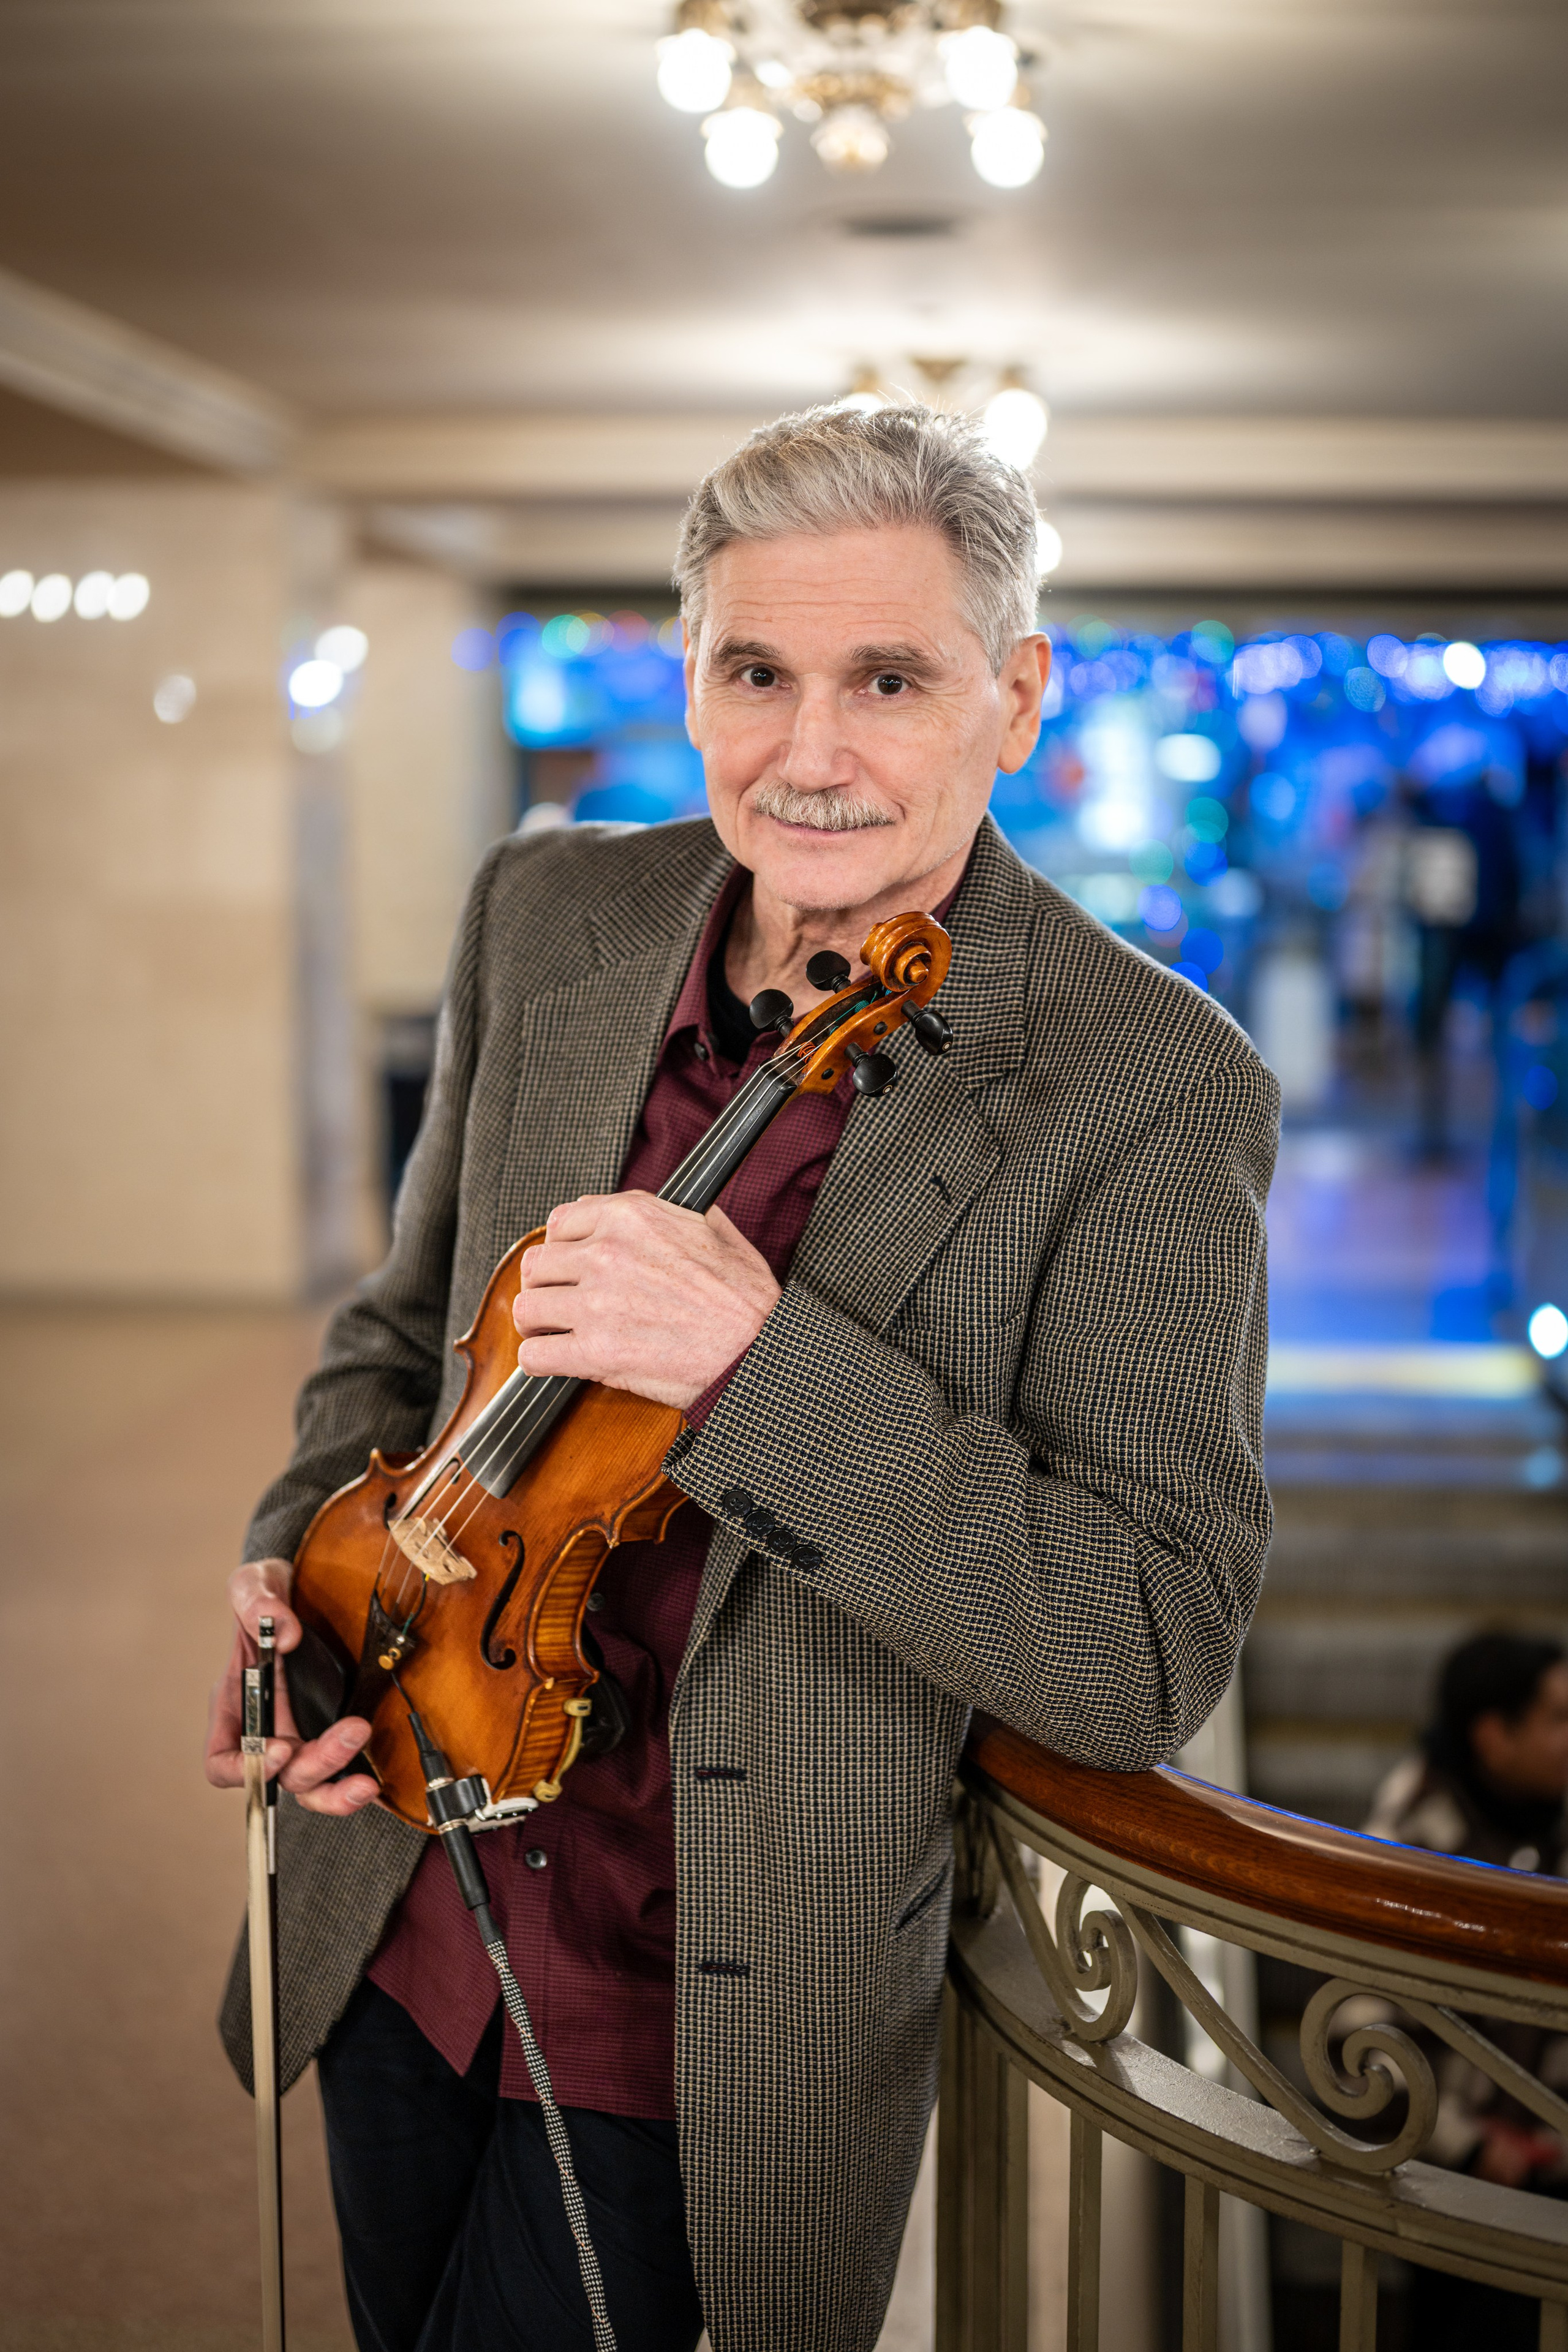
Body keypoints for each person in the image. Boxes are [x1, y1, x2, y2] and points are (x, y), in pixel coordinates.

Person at [205, 402, 1279, 2352]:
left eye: (889, 678)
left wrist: (759, 1365)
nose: (808, 753)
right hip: (402, 1909)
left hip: (695, 1983)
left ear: (1016, 696)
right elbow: (398, 1330)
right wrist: (307, 1576)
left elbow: (1139, 1638)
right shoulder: (551, 913)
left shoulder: (1149, 1086)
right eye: (754, 672)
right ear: (687, 677)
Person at [1365, 1632, 1568, 2350]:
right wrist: (1469, 2144)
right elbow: (1357, 2030)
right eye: (1557, 1719)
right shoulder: (1416, 1830)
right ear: (1492, 1735)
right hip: (1447, 2174)